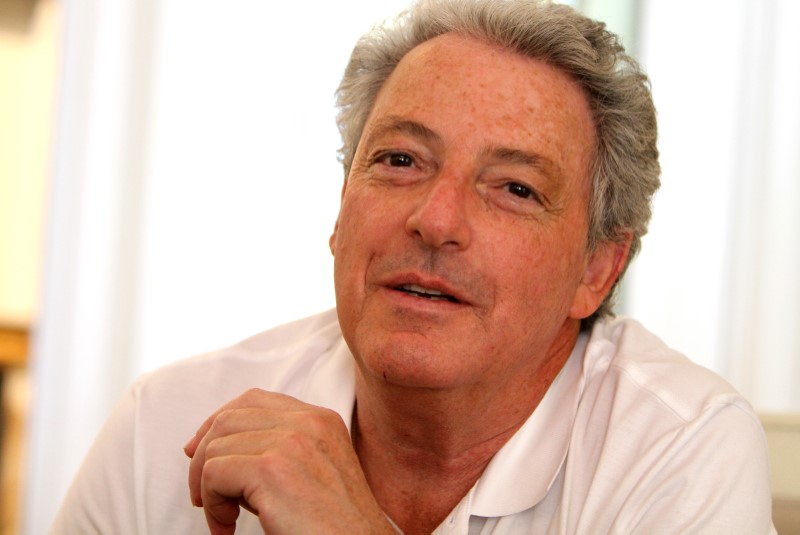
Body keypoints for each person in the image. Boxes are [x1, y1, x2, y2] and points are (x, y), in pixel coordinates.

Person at [53, 0, 776, 533]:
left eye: (515, 188)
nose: (435, 219)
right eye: (400, 160)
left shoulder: (681, 450)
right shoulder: (168, 424)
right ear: (341, 208)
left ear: (598, 268)